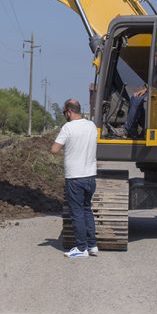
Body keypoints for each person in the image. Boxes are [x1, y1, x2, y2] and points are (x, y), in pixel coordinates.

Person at [51, 99, 99, 258]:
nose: (65, 115)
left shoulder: (68, 127)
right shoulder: (92, 126)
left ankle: (81, 248)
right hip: (91, 176)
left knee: (77, 212)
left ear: (69, 112)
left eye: (65, 113)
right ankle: (92, 245)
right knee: (87, 209)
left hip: (75, 177)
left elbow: (54, 149)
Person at [122, 45, 157, 139]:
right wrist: (145, 89)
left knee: (137, 100)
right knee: (135, 97)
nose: (156, 59)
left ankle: (128, 128)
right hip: (155, 91)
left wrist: (150, 88)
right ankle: (133, 128)